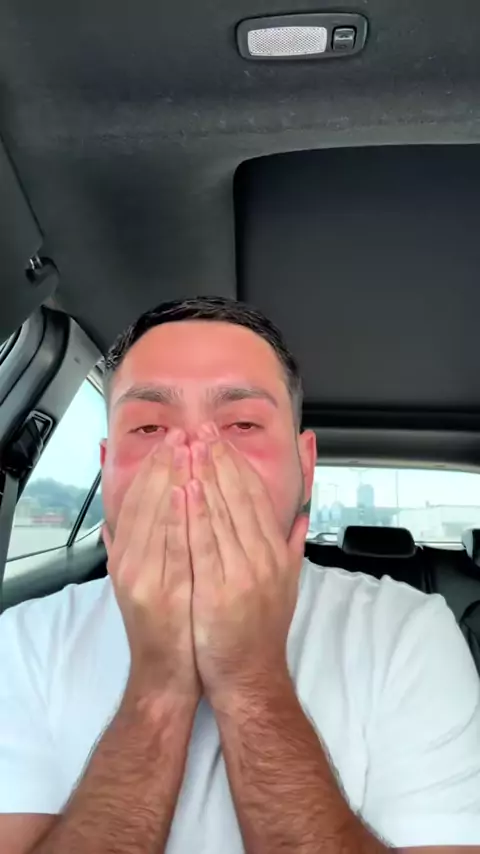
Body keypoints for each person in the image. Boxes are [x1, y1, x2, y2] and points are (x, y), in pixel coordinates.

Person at [0, 296, 479, 854]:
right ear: (106, 467)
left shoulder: (410, 634)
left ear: (305, 467)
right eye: (149, 426)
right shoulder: (23, 641)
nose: (194, 460)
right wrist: (159, 686)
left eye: (243, 423)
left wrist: (251, 679)